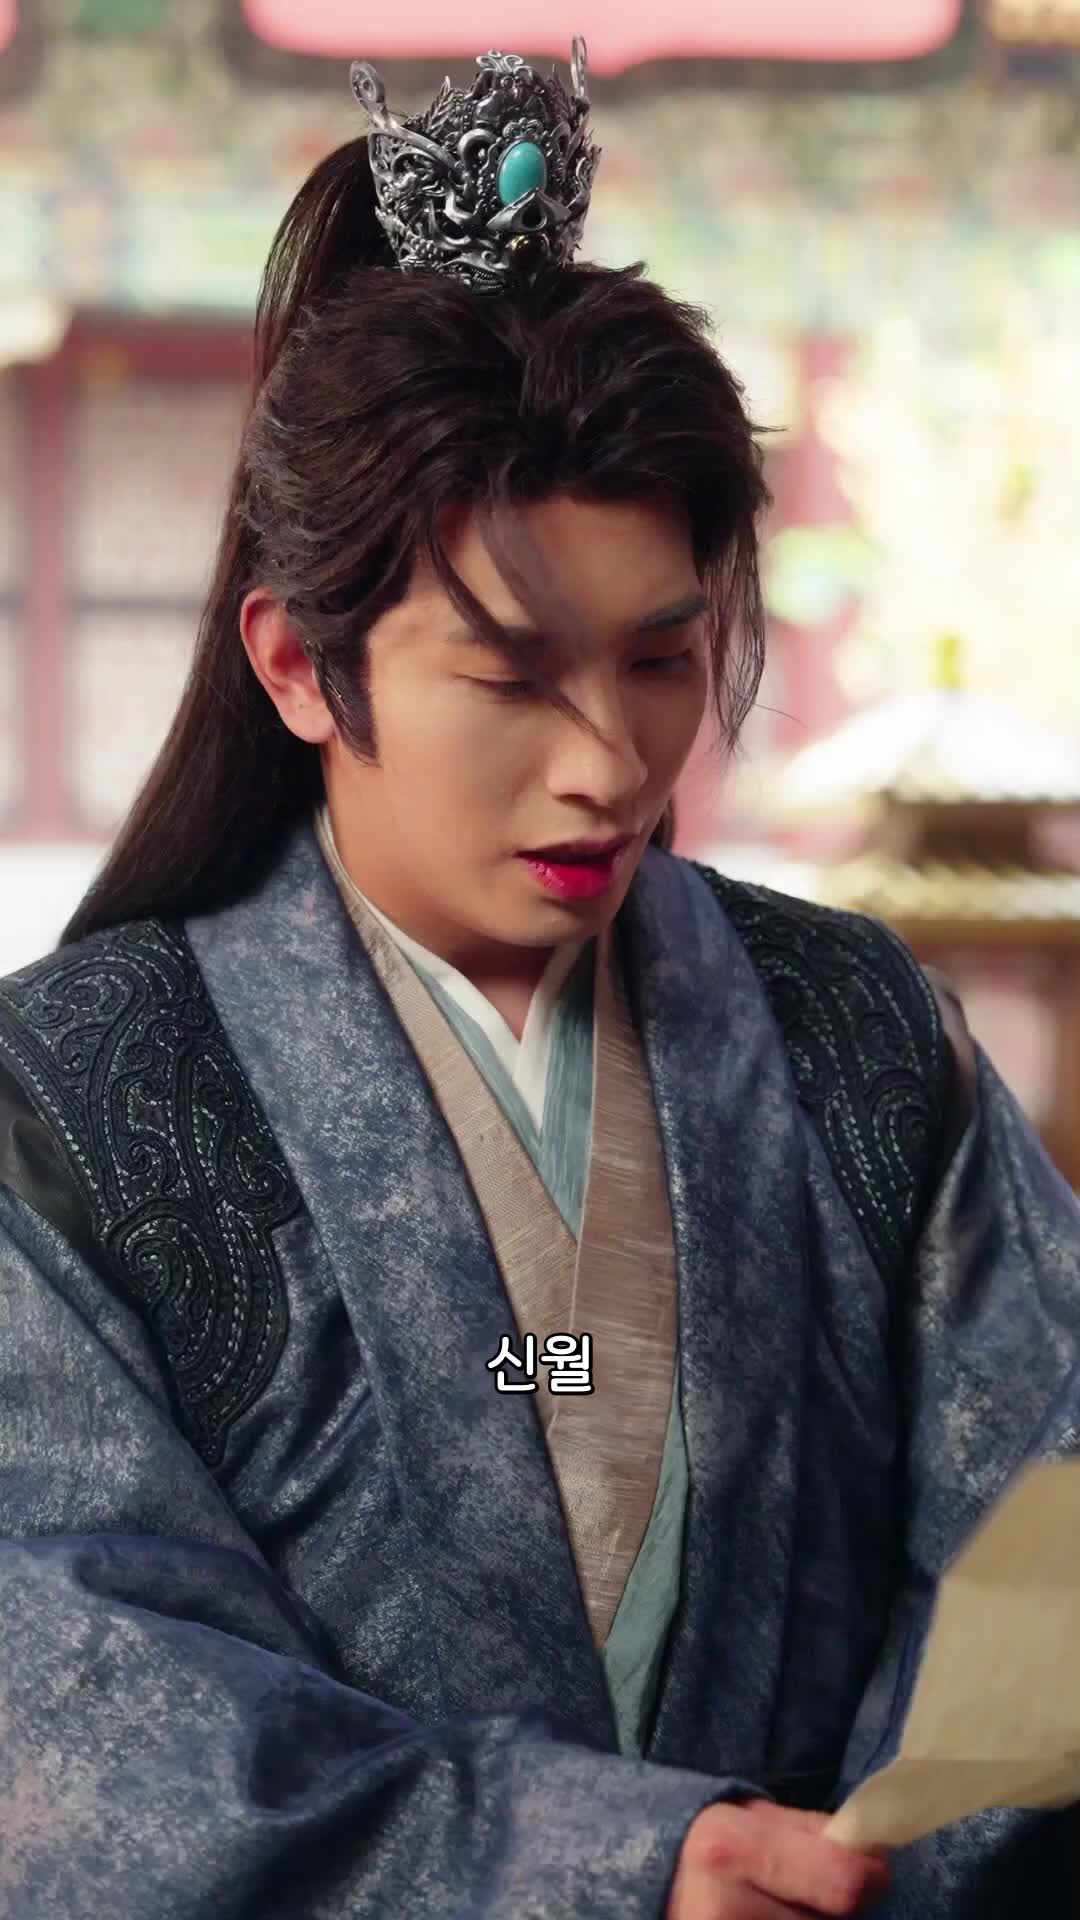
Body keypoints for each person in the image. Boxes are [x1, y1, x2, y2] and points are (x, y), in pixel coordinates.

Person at [0, 39, 1075, 1920]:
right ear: (299, 664)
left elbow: (1045, 1504)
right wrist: (609, 1867)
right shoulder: (88, 1090)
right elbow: (71, 1698)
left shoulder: (852, 1033)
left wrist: (865, 1863)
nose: (607, 764)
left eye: (660, 660)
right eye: (509, 675)